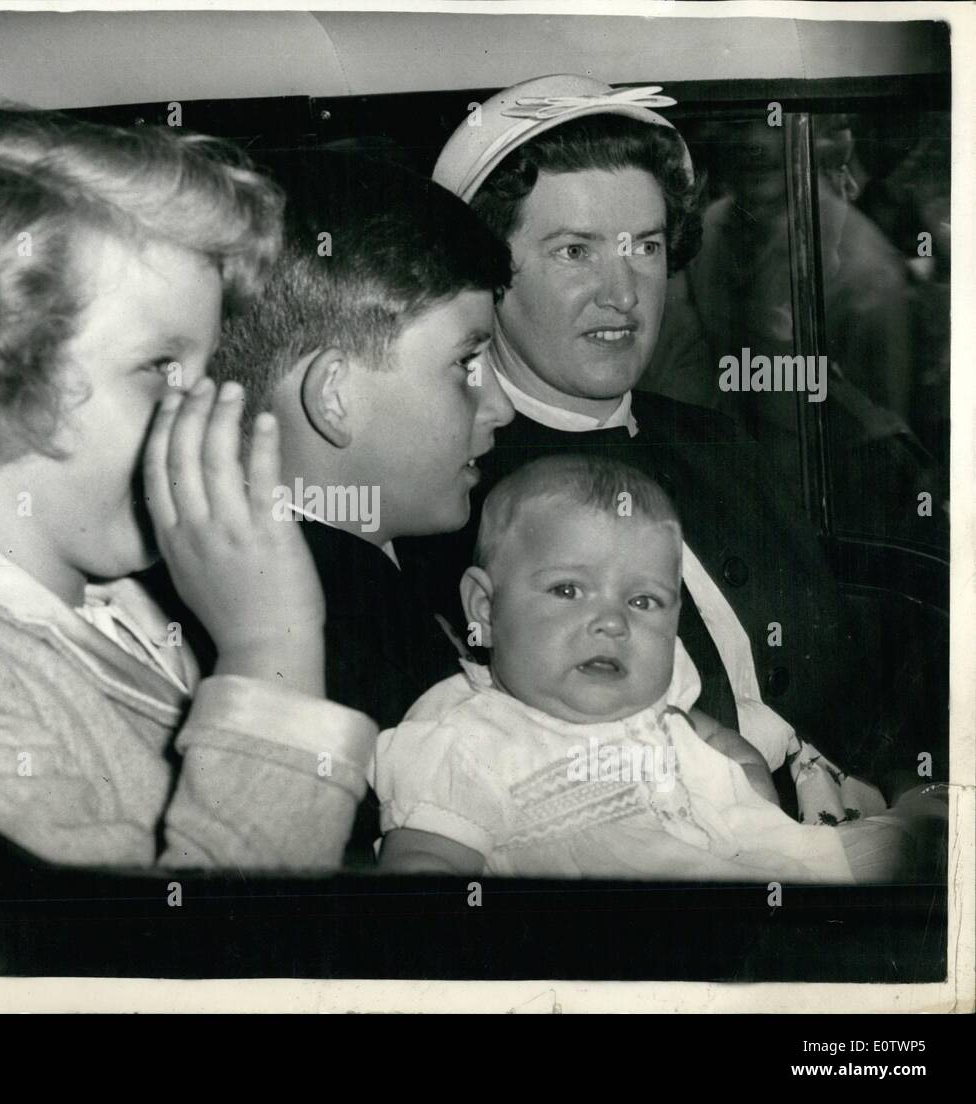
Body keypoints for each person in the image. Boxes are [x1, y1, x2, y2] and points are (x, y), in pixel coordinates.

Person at [0, 107, 377, 870]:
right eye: (160, 368)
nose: (209, 405)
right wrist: (270, 653)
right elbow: (164, 968)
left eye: (205, 366)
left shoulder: (115, 607)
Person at [401, 74, 901, 794]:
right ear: (487, 274)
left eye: (645, 246)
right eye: (576, 251)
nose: (624, 292)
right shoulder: (451, 507)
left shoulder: (718, 443)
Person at [376, 455, 944, 880]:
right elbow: (423, 868)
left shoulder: (659, 702)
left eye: (643, 601)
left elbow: (712, 741)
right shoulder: (466, 737)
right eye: (568, 589)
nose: (612, 623)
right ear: (485, 608)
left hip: (748, 866)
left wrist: (741, 770)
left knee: (911, 845)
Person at [208, 151, 515, 860]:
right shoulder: (354, 624)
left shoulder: (373, 574)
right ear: (336, 397)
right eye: (466, 365)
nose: (496, 406)